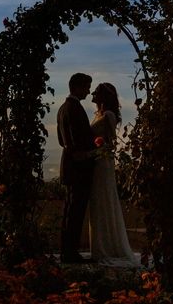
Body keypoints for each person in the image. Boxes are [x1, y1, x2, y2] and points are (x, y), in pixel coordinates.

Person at [89, 83, 140, 267]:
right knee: (97, 202)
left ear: (102, 97)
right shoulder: (98, 115)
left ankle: (108, 247)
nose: (92, 95)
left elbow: (110, 142)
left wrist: (99, 148)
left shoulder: (109, 115)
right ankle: (100, 245)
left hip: (103, 162)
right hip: (96, 160)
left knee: (104, 200)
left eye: (95, 93)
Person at [57, 73, 96, 263]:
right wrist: (91, 153)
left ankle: (67, 250)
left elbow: (61, 139)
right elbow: (76, 141)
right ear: (77, 87)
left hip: (69, 165)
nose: (89, 92)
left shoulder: (63, 108)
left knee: (70, 211)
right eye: (87, 87)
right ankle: (70, 253)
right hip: (78, 168)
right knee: (75, 213)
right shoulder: (74, 109)